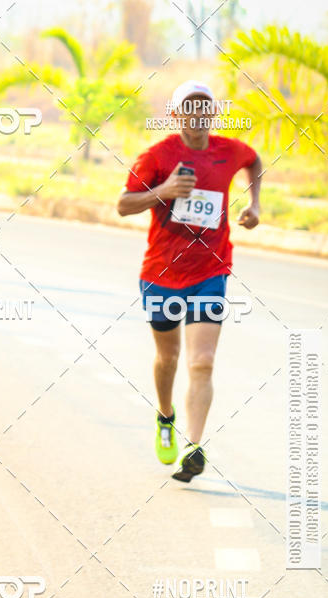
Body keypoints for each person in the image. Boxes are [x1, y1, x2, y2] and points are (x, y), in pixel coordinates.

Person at [117, 80, 262, 482]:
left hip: (210, 272)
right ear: (177, 114)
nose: (197, 115)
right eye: (189, 108)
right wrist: (163, 190)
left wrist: (254, 203)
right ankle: (166, 416)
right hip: (161, 274)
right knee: (169, 359)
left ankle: (194, 447)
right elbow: (123, 204)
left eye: (205, 108)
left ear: (213, 114)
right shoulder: (159, 156)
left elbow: (255, 160)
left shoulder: (228, 150)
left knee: (202, 361)